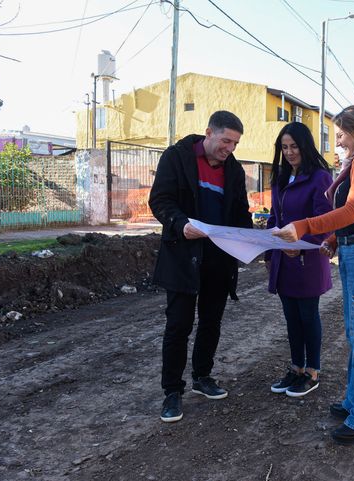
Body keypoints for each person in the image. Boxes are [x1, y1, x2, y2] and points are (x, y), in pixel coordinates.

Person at [273, 106, 354, 445]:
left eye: (340, 132)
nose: (337, 139)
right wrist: (333, 239)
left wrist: (305, 226)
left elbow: (353, 210)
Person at [149, 110, 253, 423]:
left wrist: (253, 239)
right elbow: (160, 200)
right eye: (225, 141)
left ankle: (203, 377)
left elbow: (239, 211)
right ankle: (172, 391)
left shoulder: (233, 169)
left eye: (235, 143)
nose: (230, 148)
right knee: (178, 324)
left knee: (211, 321)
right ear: (208, 133)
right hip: (183, 255)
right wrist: (180, 224)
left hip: (219, 259)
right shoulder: (177, 157)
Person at [265, 122, 333, 397]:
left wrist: (304, 248)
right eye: (284, 147)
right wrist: (269, 250)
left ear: (305, 146)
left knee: (307, 316)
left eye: (294, 146)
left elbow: (325, 220)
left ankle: (312, 371)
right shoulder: (280, 177)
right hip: (283, 260)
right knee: (291, 318)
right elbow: (274, 218)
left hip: (307, 260)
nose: (290, 152)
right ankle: (296, 369)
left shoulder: (320, 177)